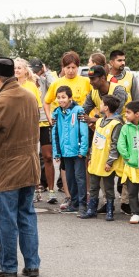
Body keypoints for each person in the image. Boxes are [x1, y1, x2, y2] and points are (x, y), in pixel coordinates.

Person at [0, 58, 40, 277]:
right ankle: (32, 264)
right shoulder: (30, 96)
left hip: (6, 169)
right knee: (26, 215)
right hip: (29, 165)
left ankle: (8, 265)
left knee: (4, 219)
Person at [82, 95, 124, 221]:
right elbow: (95, 140)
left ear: (106, 107)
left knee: (108, 187)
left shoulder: (116, 123)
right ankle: (92, 209)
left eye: (101, 104)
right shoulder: (100, 121)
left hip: (106, 161)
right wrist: (91, 156)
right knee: (94, 186)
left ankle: (110, 209)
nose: (99, 105)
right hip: (96, 159)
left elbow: (115, 144)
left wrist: (110, 161)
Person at [51, 86, 89, 215]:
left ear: (70, 98)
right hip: (65, 151)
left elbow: (84, 132)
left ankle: (83, 204)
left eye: (63, 97)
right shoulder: (57, 113)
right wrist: (57, 152)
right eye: (58, 97)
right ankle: (74, 202)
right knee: (70, 178)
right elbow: (55, 133)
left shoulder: (78, 111)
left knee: (80, 177)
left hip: (77, 151)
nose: (61, 100)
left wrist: (83, 150)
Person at [30, 58, 58, 205]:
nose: (35, 72)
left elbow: (55, 86)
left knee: (47, 156)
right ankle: (36, 190)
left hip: (45, 121)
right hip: (30, 122)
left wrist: (45, 73)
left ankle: (51, 191)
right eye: (33, 69)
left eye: (38, 69)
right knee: (32, 157)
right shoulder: (27, 81)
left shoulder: (46, 79)